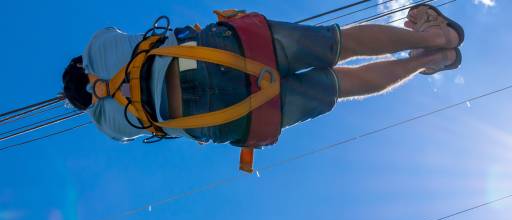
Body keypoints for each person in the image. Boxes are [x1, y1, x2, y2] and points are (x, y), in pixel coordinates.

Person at [62, 4, 464, 148]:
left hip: (232, 116)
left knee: (341, 85)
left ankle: (422, 61)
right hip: (222, 53)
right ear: (80, 67)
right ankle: (430, 37)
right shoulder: (98, 48)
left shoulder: (110, 127)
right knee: (337, 44)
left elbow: (139, 129)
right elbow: (112, 38)